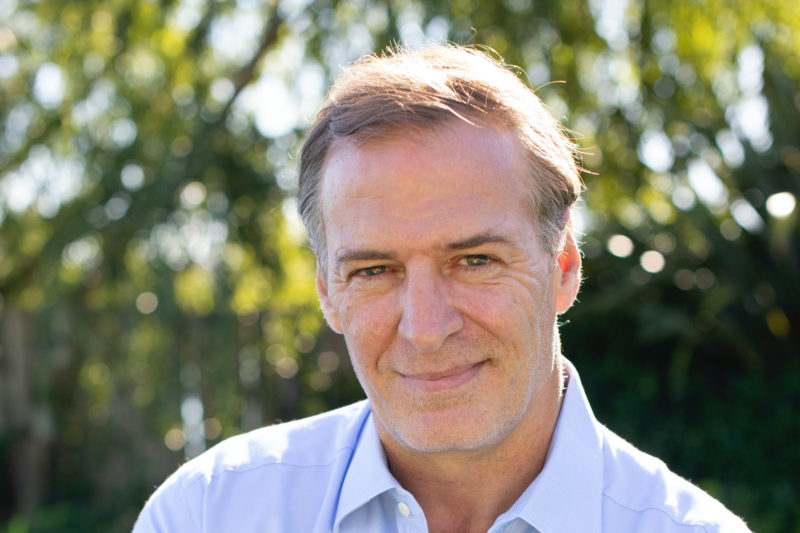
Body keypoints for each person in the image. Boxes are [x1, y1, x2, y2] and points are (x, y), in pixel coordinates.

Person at [133, 45, 750, 532]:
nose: (426, 329)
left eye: (474, 260)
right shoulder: (207, 514)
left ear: (563, 266)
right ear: (327, 292)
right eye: (374, 271)